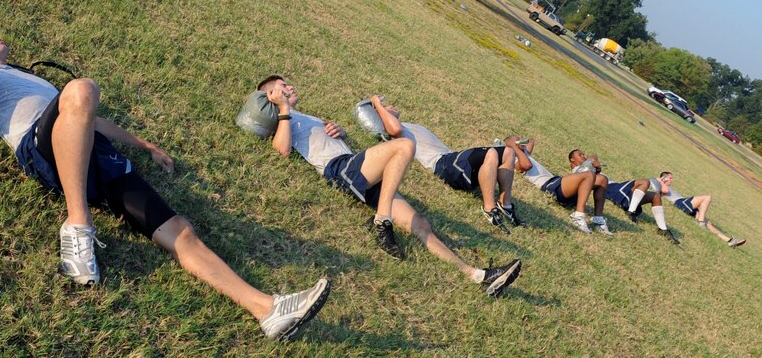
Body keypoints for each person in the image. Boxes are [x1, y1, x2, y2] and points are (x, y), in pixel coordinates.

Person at [0, 21, 329, 341]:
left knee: (180, 231)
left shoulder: (22, 75)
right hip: (43, 146)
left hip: (94, 153)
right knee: (83, 88)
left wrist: (145, 144)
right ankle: (78, 226)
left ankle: (267, 310)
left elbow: (86, 119)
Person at [256, 77, 521, 297]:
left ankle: (478, 275)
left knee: (421, 224)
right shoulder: (286, 117)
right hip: (341, 169)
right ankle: (381, 221)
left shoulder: (302, 116)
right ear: (270, 95)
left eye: (287, 85)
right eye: (282, 86)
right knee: (405, 145)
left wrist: (340, 132)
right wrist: (282, 108)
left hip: (357, 168)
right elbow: (281, 149)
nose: (289, 87)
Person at [365, 96, 524, 233]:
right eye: (387, 108)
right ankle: (490, 209)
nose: (390, 106)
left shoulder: (408, 125)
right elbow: (394, 129)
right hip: (443, 164)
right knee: (491, 153)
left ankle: (506, 205)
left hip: (454, 160)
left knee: (508, 152)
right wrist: (377, 104)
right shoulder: (395, 130)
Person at [507, 137, 612, 235]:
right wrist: (512, 144)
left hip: (559, 184)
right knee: (589, 175)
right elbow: (526, 165)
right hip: (550, 186)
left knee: (603, 179)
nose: (520, 141)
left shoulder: (525, 154)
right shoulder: (515, 160)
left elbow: (531, 141)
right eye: (517, 141)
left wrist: (520, 144)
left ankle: (598, 219)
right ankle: (578, 216)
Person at [569, 151, 679, 245]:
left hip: (618, 187)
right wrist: (593, 161)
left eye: (583, 154)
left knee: (655, 196)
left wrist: (594, 162)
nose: (583, 156)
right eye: (580, 155)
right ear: (572, 160)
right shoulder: (578, 171)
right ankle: (631, 211)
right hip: (613, 189)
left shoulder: (589, 164)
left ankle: (663, 229)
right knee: (645, 182)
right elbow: (592, 158)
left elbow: (593, 156)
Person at [659, 172, 746, 248]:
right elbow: (664, 190)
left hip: (684, 202)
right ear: (664, 177)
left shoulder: (668, 187)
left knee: (708, 223)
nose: (672, 180)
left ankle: (730, 241)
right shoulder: (662, 185)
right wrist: (661, 180)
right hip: (681, 202)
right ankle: (700, 222)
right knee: (707, 197)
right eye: (670, 177)